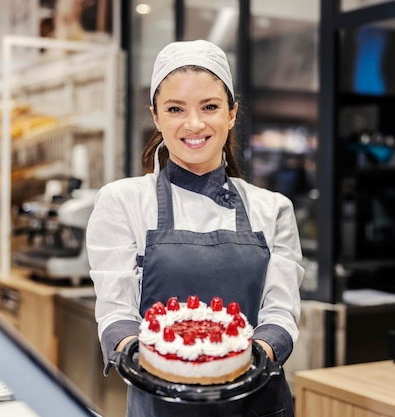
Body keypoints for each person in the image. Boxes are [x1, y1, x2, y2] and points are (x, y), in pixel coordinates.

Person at [86, 39, 305, 417]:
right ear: (155, 116)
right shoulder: (122, 202)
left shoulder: (273, 209)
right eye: (175, 109)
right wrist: (158, 363)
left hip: (258, 406)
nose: (194, 124)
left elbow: (280, 314)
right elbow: (115, 312)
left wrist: (241, 362)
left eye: (210, 107)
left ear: (232, 113)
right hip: (161, 406)